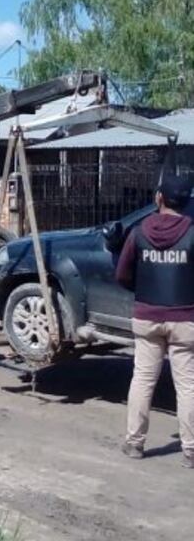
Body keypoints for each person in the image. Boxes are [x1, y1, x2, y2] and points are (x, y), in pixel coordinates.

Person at [115, 174, 194, 468]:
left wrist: (142, 293)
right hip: (185, 318)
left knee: (143, 379)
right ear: (186, 202)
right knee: (187, 385)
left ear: (159, 198)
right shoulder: (193, 232)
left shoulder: (138, 232)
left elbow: (122, 274)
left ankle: (135, 443)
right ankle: (190, 450)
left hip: (146, 317)